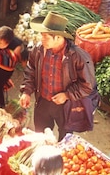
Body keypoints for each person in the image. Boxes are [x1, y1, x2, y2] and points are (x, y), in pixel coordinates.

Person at [19, 12, 96, 141]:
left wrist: (67, 95)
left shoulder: (79, 57)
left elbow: (87, 85)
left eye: (45, 36)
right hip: (43, 101)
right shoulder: (38, 50)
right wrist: (26, 91)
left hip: (65, 105)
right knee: (41, 137)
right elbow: (30, 70)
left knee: (65, 139)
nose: (41, 39)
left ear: (58, 37)